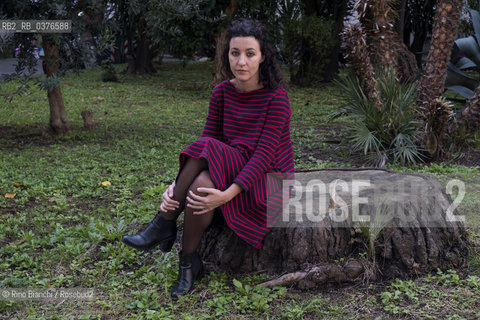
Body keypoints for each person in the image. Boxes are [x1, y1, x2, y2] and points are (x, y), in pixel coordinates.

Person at [121, 18, 294, 299]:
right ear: (226, 55)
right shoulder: (222, 93)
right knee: (200, 180)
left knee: (204, 162)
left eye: (250, 54)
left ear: (263, 57)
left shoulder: (277, 99)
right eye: (234, 53)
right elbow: (205, 147)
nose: (241, 61)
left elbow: (263, 157)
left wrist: (225, 196)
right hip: (230, 166)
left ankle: (164, 223)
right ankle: (189, 263)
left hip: (269, 180)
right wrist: (175, 188)